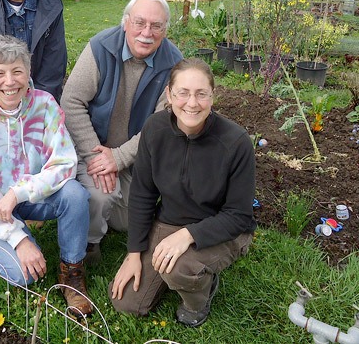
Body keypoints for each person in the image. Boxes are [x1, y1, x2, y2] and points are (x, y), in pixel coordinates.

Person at [109, 58, 256, 327]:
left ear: (213, 95)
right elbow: (142, 193)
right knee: (126, 303)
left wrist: (189, 236)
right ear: (169, 95)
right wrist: (134, 253)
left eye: (201, 94)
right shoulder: (155, 129)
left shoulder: (236, 142)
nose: (192, 103)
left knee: (179, 270)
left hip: (224, 230)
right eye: (183, 93)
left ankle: (198, 298)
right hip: (170, 222)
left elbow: (239, 215)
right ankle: (179, 268)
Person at [0, 34, 91, 316]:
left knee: (76, 195)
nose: (10, 81)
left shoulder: (45, 105)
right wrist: (19, 239)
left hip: (28, 196)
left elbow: (65, 163)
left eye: (17, 71)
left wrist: (19, 193)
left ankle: (72, 271)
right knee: (24, 276)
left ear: (28, 73)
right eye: (0, 73)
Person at [60, 0, 183, 264]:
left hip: (135, 155)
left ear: (165, 30)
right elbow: (71, 102)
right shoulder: (100, 48)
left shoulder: (174, 64)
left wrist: (118, 158)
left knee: (129, 220)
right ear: (125, 22)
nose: (146, 33)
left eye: (156, 26)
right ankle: (89, 245)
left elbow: (163, 124)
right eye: (139, 23)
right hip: (92, 145)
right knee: (100, 196)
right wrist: (97, 157)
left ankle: (95, 212)